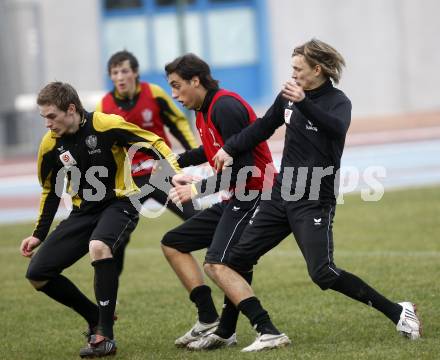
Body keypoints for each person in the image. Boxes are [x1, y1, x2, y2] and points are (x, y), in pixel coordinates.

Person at [206, 39, 422, 352]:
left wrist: (304, 102)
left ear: (317, 69)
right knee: (237, 259)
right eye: (292, 68)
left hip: (314, 197)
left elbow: (336, 129)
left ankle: (398, 311)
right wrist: (229, 148)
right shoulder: (289, 97)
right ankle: (230, 331)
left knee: (322, 273)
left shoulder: (337, 101)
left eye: (298, 69)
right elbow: (262, 127)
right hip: (282, 192)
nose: (292, 74)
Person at [20, 82, 181, 358]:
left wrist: (174, 171)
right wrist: (39, 233)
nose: (47, 124)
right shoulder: (50, 145)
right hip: (83, 212)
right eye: (43, 117)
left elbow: (152, 141)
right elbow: (50, 189)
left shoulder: (105, 124)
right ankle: (95, 316)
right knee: (37, 274)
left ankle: (104, 336)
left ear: (71, 109)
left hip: (122, 203)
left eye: (51, 116)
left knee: (99, 246)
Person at [161, 53, 277, 350]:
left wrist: (197, 190)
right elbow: (211, 150)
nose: (174, 95)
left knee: (217, 264)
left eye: (177, 86)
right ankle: (212, 321)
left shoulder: (224, 106)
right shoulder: (203, 108)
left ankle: (267, 330)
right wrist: (175, 161)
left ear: (195, 81)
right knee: (173, 242)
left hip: (255, 195)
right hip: (235, 196)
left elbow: (246, 169)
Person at [97, 50, 199, 276]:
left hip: (162, 172)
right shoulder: (103, 106)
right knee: (115, 238)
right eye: (115, 72)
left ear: (135, 73)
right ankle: (109, 295)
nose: (120, 77)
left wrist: (195, 155)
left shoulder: (154, 93)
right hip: (130, 180)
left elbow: (178, 122)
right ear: (110, 77)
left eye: (124, 71)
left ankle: (228, 262)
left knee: (198, 217)